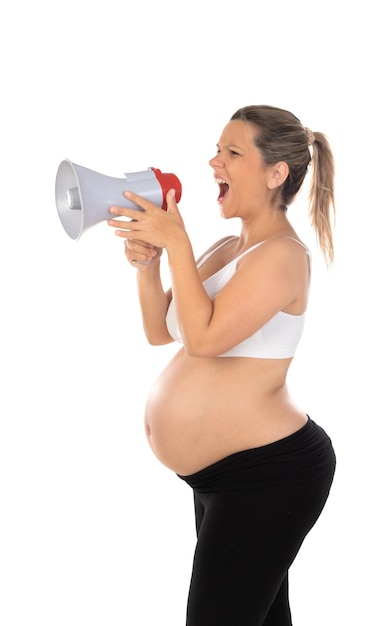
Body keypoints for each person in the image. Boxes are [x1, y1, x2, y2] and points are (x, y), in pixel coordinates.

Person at [107, 104, 336, 626]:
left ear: (276, 174)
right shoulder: (228, 248)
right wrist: (149, 263)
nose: (214, 164)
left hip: (268, 475)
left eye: (232, 153)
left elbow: (206, 339)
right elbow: (161, 330)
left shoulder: (282, 255)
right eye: (216, 150)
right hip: (226, 477)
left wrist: (176, 242)